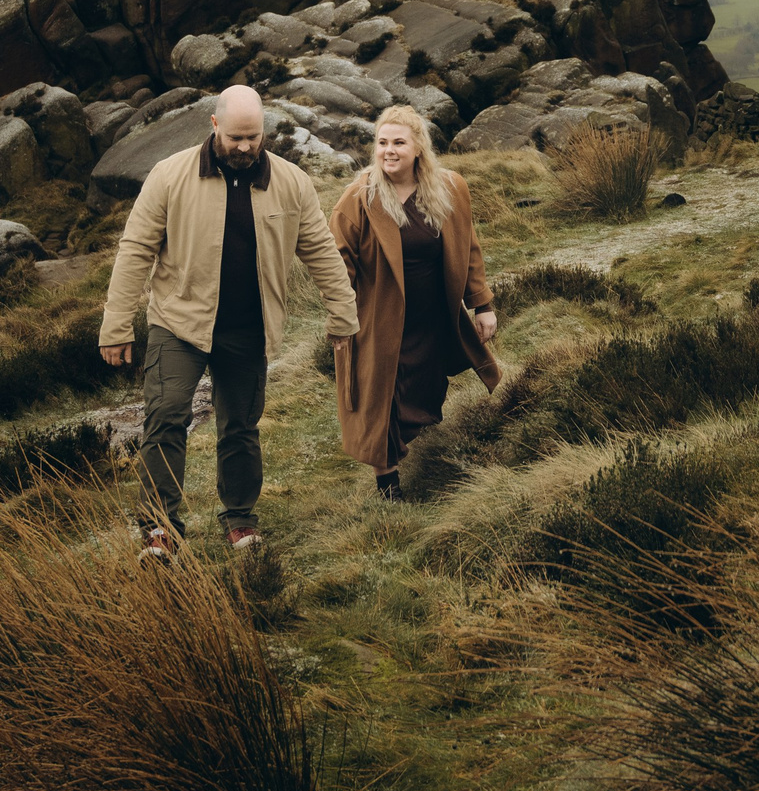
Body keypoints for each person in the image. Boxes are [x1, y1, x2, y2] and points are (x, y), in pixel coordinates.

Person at [99, 85, 358, 558]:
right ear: (214, 126)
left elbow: (320, 250)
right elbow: (135, 250)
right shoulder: (169, 175)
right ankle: (160, 530)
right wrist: (116, 326)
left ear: (264, 131)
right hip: (178, 325)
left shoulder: (292, 182)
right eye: (236, 136)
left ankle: (240, 521)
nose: (244, 147)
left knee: (239, 427)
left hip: (248, 329)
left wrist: (343, 315)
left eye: (253, 137)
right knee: (165, 417)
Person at [329, 104, 501, 500]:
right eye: (382, 142)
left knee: (425, 391)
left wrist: (482, 304)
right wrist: (341, 317)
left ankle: (421, 456)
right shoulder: (359, 198)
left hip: (433, 317)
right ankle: (388, 484)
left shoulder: (450, 187)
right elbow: (335, 262)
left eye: (399, 142)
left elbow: (468, 247)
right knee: (381, 399)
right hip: (378, 319)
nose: (388, 151)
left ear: (418, 147)